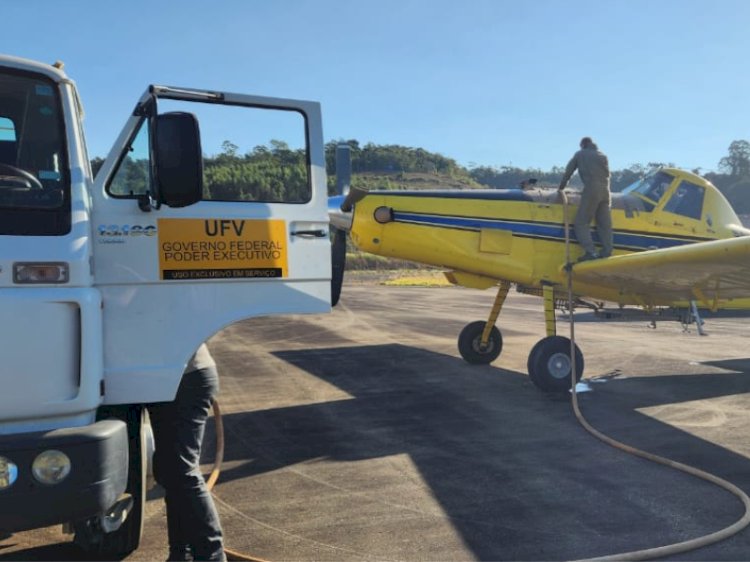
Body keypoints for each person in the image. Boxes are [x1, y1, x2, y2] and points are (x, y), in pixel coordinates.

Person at [148, 344, 225, 561]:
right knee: (168, 470)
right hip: (165, 381)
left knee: (181, 470)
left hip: (187, 379)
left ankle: (212, 556)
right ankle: (181, 553)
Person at [558, 137, 613, 261]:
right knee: (604, 225)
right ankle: (607, 251)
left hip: (592, 190)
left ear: (583, 144)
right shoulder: (603, 156)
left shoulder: (580, 154)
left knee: (581, 223)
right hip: (606, 192)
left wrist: (561, 187)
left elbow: (568, 172)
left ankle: (591, 252)